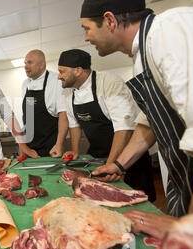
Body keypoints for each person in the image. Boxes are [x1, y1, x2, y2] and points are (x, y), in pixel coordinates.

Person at [80, 0, 193, 234]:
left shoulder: (169, 30)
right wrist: (119, 165)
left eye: (87, 28)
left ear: (110, 20)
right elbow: (150, 121)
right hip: (186, 182)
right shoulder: (141, 58)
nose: (85, 37)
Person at [57, 48, 156, 201]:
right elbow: (74, 124)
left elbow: (123, 128)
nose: (59, 76)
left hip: (129, 157)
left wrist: (111, 166)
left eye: (62, 72)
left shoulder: (108, 82)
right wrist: (75, 151)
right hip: (98, 155)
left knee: (136, 202)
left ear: (77, 71)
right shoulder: (68, 92)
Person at [21, 50, 68, 157]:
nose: (26, 66)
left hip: (51, 148)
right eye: (25, 63)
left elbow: (63, 114)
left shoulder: (56, 80)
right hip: (30, 149)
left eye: (30, 62)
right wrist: (23, 146)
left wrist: (59, 144)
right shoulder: (25, 84)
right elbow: (27, 118)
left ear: (42, 64)